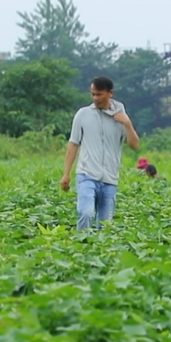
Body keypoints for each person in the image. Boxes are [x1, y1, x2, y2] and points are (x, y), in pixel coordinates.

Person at [60, 76, 140, 230]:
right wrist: (66, 173)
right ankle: (81, 246)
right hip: (86, 174)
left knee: (105, 226)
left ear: (110, 93)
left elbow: (134, 145)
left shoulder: (120, 116)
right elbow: (73, 143)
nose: (95, 98)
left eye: (99, 94)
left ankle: (100, 252)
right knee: (86, 213)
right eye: (93, 94)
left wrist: (127, 124)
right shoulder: (83, 114)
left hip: (109, 179)